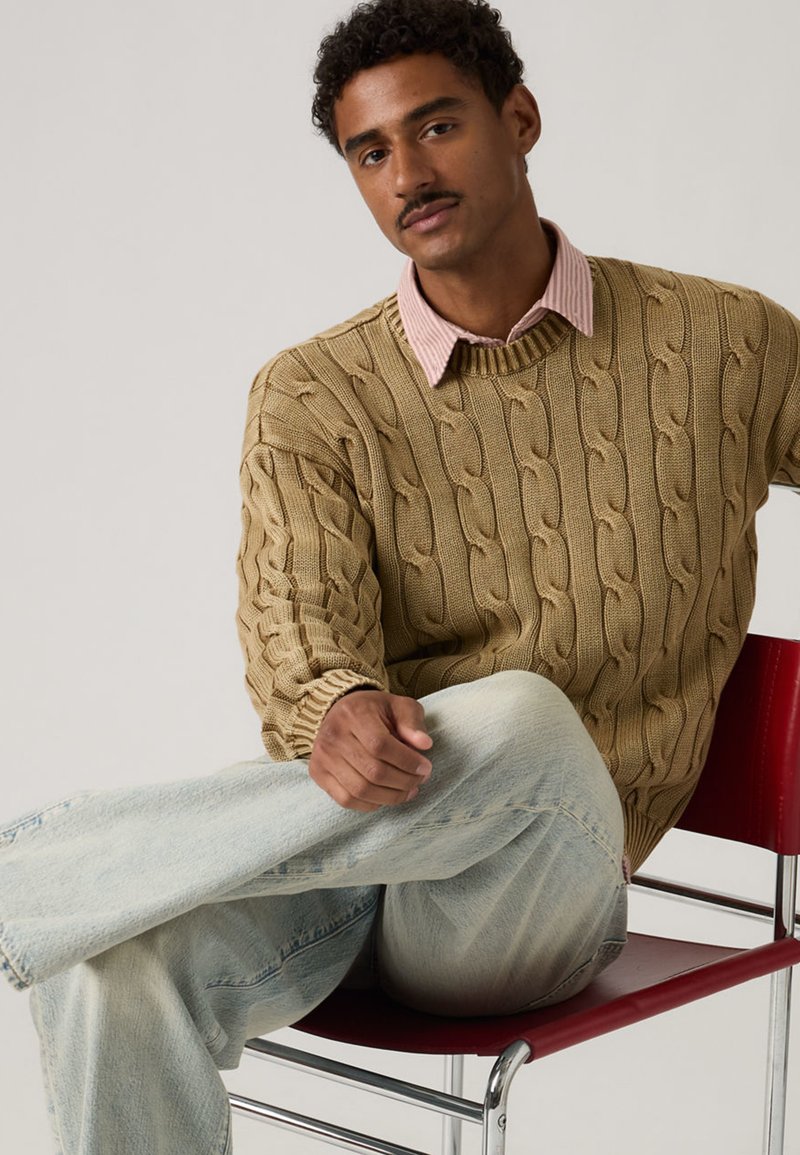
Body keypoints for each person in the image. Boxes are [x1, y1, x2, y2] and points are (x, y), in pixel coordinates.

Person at [1, 1, 799, 1152]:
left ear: (517, 119)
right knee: (106, 961)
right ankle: (52, 902)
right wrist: (336, 712)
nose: (405, 174)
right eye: (370, 151)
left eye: (435, 128)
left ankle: (31, 875)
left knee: (522, 713)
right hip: (361, 856)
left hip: (537, 890)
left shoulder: (719, 342)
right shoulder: (312, 395)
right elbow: (298, 638)